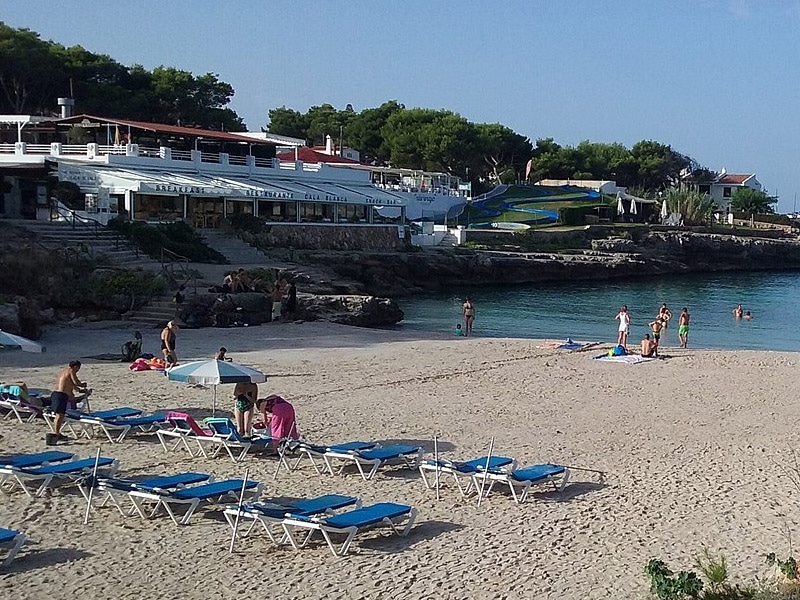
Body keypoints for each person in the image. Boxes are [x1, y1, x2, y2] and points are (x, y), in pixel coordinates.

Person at [50, 361, 92, 440]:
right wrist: (83, 384)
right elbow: (76, 382)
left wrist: (83, 391)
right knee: (59, 415)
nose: (78, 370)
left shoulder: (64, 373)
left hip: (58, 394)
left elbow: (75, 387)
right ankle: (56, 433)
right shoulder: (70, 371)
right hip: (60, 395)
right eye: (78, 368)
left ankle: (57, 433)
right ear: (75, 366)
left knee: (60, 415)